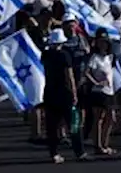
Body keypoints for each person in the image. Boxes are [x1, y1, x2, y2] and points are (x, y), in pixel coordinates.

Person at [42, 29, 86, 163]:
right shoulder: (64, 55)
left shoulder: (46, 55)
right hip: (64, 93)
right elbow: (69, 75)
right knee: (73, 123)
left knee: (52, 125)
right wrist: (74, 93)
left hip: (50, 92)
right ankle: (79, 151)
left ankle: (54, 153)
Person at [85, 31, 118, 155]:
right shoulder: (95, 58)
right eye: (100, 42)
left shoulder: (109, 57)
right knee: (99, 118)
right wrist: (95, 82)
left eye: (105, 42)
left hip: (109, 91)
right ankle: (98, 145)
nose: (103, 45)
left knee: (111, 118)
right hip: (98, 91)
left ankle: (105, 143)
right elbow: (87, 72)